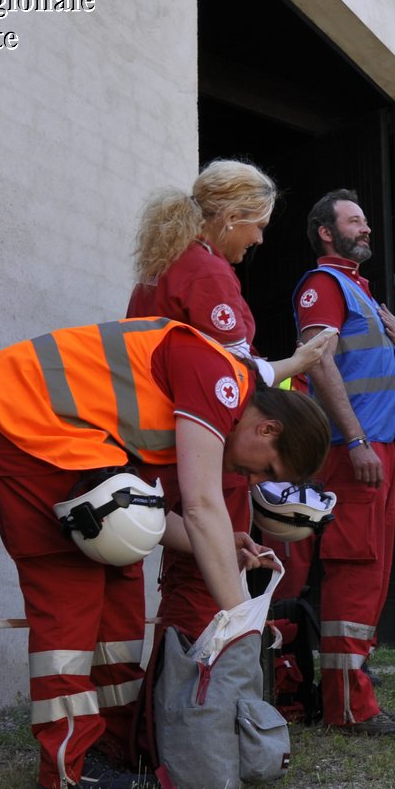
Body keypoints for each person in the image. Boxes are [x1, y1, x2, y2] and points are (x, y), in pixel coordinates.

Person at [0, 317, 334, 789]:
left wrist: (222, 542)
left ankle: (116, 750)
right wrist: (240, 621)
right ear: (267, 428)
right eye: (267, 467)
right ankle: (69, 772)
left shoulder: (227, 388)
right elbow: (200, 506)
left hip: (58, 434)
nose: (254, 479)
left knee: (121, 586)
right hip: (17, 419)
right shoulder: (218, 384)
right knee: (69, 591)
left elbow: (161, 521)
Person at [126, 159, 294, 658]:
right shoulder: (204, 272)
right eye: (258, 226)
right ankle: (203, 703)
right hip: (206, 445)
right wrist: (300, 361)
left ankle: (171, 711)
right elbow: (235, 375)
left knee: (188, 575)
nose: (260, 240)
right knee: (202, 579)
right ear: (229, 217)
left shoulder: (165, 266)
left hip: (168, 444)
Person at [293, 189, 395, 735]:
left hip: (375, 447)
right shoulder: (324, 285)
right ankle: (347, 706)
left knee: (372, 572)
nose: (366, 229)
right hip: (352, 451)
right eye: (355, 221)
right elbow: (319, 365)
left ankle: (351, 692)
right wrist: (358, 439)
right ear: (326, 232)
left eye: (366, 220)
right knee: (354, 568)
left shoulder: (360, 291)